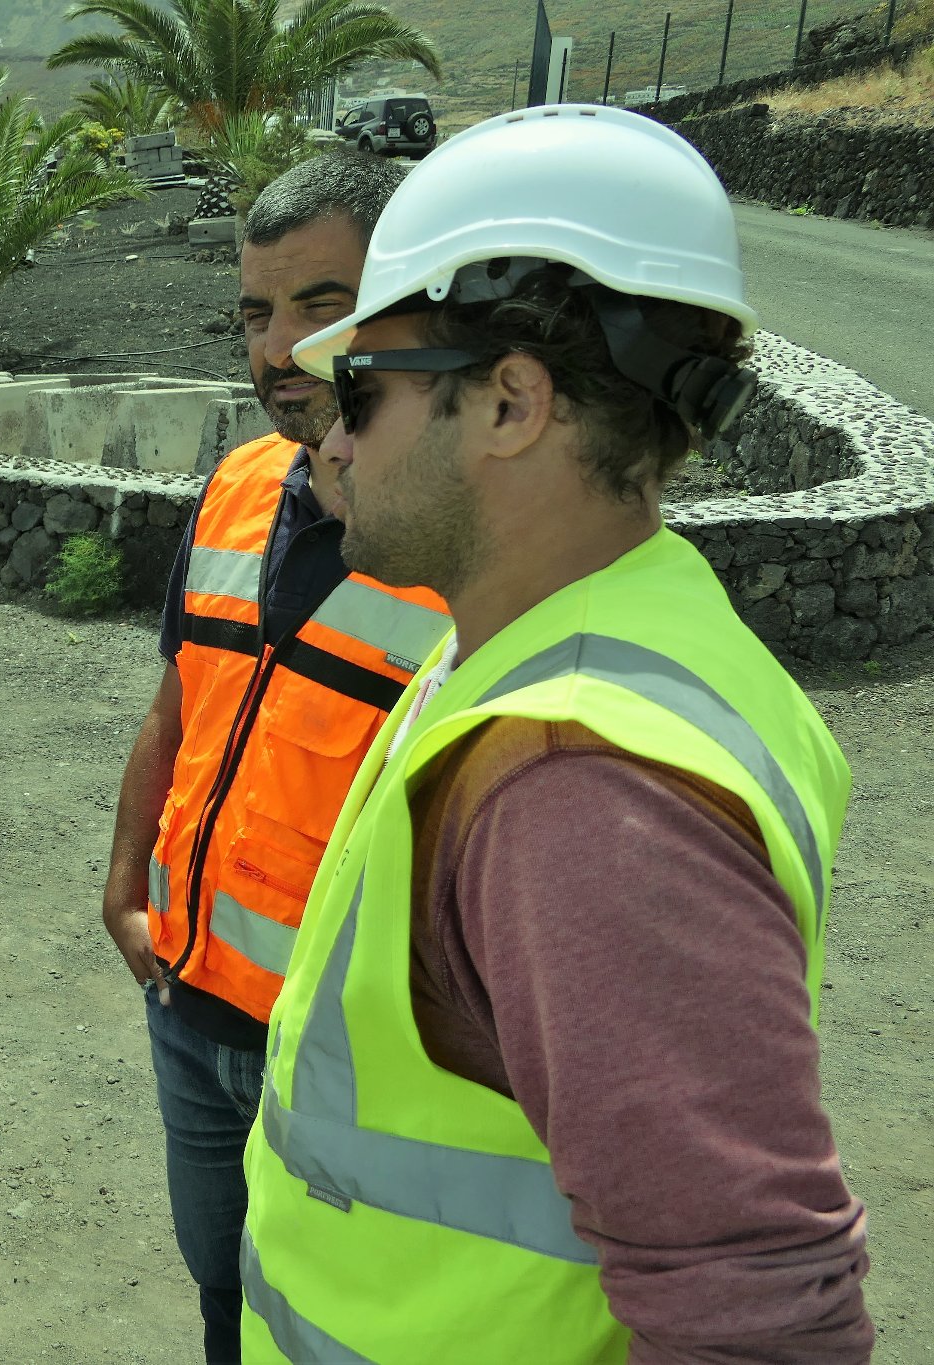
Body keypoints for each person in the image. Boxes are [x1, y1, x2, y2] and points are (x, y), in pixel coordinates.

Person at [238, 105, 872, 1360]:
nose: (327, 430)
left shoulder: (578, 782)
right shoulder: (588, 633)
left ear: (511, 402)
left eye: (360, 386)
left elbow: (750, 1314)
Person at [100, 152, 448, 1363]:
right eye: (256, 312)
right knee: (218, 1296)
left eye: (320, 304)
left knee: (329, 1328)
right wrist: (126, 880)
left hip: (337, 1059)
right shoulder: (239, 484)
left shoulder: (460, 551)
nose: (278, 349)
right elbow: (179, 699)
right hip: (187, 1008)